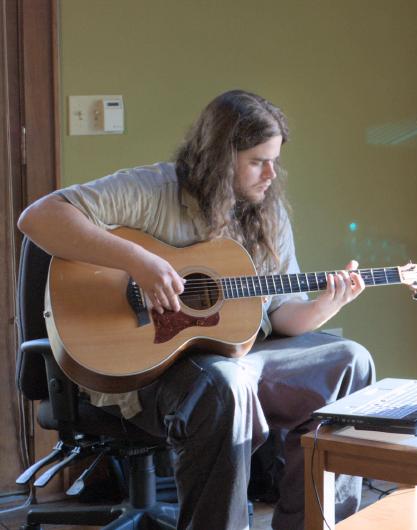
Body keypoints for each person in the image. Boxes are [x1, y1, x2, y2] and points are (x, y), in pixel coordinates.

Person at [17, 89, 375, 530]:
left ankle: (315, 524)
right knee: (224, 383)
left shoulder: (269, 212)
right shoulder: (151, 190)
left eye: (275, 160)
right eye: (257, 161)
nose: (270, 173)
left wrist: (325, 305)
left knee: (351, 362)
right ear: (221, 157)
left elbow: (283, 314)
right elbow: (39, 217)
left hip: (245, 358)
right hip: (155, 371)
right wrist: (138, 262)